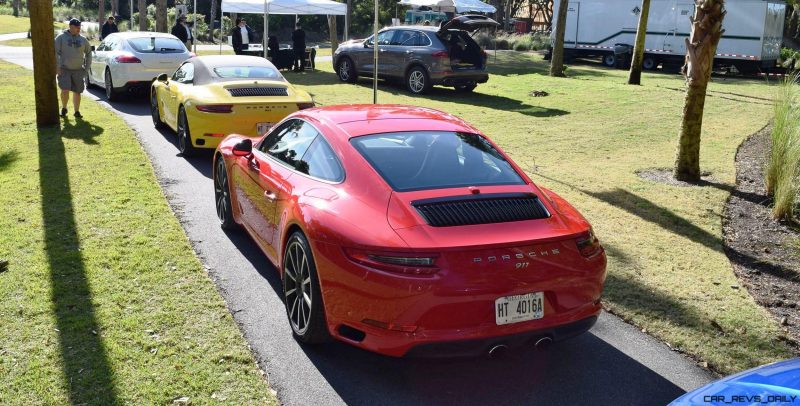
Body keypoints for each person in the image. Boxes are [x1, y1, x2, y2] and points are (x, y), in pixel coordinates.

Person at [54, 19, 91, 118]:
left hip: (78, 70)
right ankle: (64, 108)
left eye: (80, 27)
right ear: (71, 27)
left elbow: (89, 53)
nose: (79, 29)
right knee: (65, 89)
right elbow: (55, 52)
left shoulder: (83, 39)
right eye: (77, 27)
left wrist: (86, 68)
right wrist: (57, 67)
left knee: (77, 91)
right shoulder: (61, 38)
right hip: (64, 69)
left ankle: (77, 111)